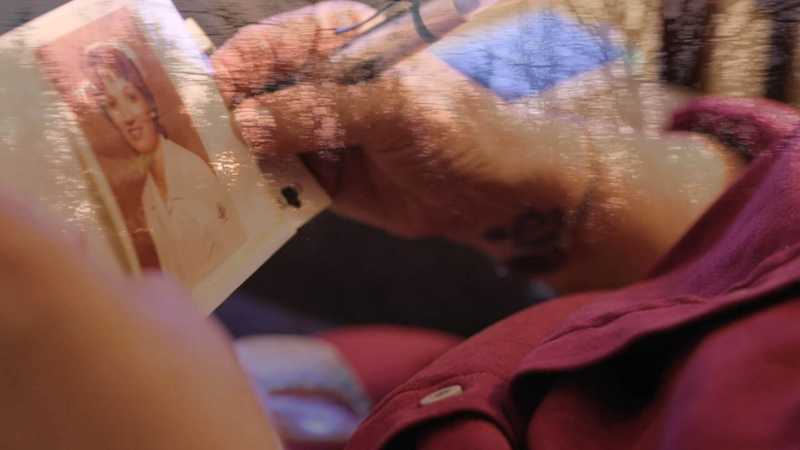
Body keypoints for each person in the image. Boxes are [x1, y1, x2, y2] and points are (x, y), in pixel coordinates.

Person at [0, 1, 798, 449]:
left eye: (136, 102)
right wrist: (553, 184)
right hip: (404, 381)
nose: (129, 113)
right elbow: (758, 253)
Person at [83, 43, 245, 285]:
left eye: (131, 97)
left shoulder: (192, 170)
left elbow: (240, 259)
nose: (127, 117)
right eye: (113, 105)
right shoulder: (148, 197)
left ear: (149, 104)